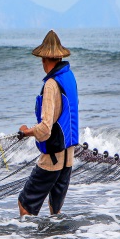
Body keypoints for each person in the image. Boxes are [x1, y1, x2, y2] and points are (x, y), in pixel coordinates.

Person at [18, 30, 79, 218]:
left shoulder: (51, 84)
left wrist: (26, 132)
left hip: (53, 157)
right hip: (68, 156)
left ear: (45, 59)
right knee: (55, 211)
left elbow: (45, 128)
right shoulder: (69, 77)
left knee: (25, 206)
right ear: (60, 57)